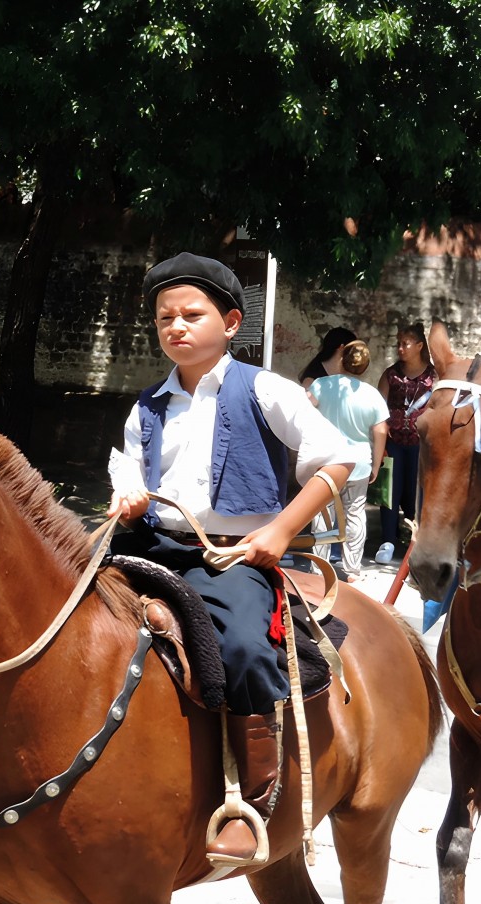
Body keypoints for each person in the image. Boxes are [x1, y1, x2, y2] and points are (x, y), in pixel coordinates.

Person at [107, 252, 359, 864]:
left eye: (192, 314)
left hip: (234, 557)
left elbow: (340, 457)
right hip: (151, 544)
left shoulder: (265, 390)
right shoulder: (147, 406)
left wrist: (279, 531)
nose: (177, 326)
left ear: (231, 322)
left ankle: (253, 798)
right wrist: (127, 498)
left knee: (246, 647)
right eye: (165, 317)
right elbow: (128, 471)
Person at [308, 340, 389, 581]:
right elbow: (381, 430)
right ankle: (352, 569)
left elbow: (305, 411)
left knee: (322, 514)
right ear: (365, 366)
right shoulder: (372, 394)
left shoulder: (321, 385)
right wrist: (376, 464)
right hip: (359, 464)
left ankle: (318, 567)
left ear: (342, 360)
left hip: (326, 462)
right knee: (355, 513)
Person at [375, 323, 435, 563]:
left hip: (421, 445)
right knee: (390, 490)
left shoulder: (434, 376)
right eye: (398, 343)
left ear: (419, 346)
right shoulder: (391, 375)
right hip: (394, 443)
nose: (400, 348)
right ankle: (387, 540)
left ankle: (413, 539)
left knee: (416, 492)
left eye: (405, 344)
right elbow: (379, 408)